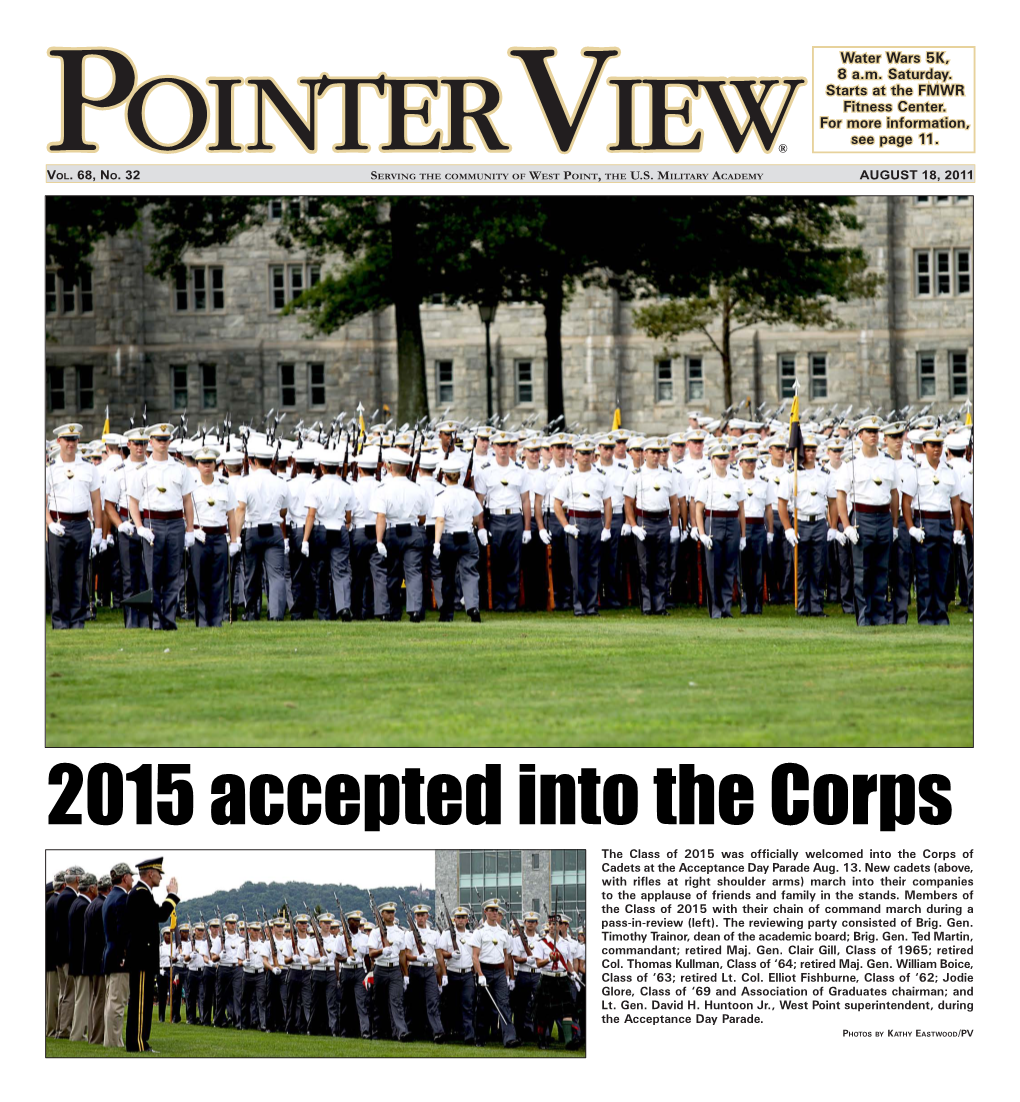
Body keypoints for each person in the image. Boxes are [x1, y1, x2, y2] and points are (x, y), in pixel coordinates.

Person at [127, 424, 196, 630]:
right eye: (158, 439)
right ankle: (156, 620)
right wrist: (139, 526)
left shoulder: (180, 468)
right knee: (154, 575)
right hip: (153, 524)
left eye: (166, 439)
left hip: (175, 522)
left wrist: (190, 529)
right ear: (151, 442)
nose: (163, 443)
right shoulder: (143, 471)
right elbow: (133, 502)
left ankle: (169, 619)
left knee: (173, 575)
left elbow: (187, 501)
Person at [835, 416, 899, 626]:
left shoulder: (888, 461)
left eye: (875, 431)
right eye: (868, 432)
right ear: (860, 435)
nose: (873, 435)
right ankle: (863, 617)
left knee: (881, 570)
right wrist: (846, 526)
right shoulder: (851, 463)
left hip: (883, 517)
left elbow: (894, 493)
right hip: (862, 517)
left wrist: (895, 525)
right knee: (862, 572)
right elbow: (841, 495)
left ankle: (879, 616)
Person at [899, 430, 965, 625]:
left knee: (943, 572)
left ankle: (941, 614)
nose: (936, 449)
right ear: (924, 447)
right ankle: (926, 616)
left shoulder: (950, 471)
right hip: (924, 522)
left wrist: (957, 529)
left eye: (939, 445)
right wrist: (911, 527)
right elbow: (906, 502)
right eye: (932, 445)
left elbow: (956, 502)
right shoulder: (916, 471)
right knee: (925, 572)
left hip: (944, 522)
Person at [46, 426, 103, 629]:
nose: (70, 444)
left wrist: (98, 530)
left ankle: (78, 619)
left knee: (80, 574)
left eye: (74, 439)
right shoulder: (49, 470)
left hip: (81, 524)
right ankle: (60, 620)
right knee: (59, 575)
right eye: (66, 439)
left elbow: (96, 501)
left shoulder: (89, 468)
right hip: (58, 524)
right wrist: (50, 524)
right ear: (59, 441)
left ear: (78, 442)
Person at [123, 858, 180, 1053]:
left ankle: (141, 1041)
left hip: (143, 957)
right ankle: (136, 1043)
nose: (160, 876)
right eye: (158, 873)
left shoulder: (142, 893)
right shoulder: (140, 894)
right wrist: (172, 895)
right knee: (139, 1002)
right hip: (141, 958)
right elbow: (161, 915)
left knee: (145, 1002)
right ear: (150, 874)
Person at [551, 439, 613, 616]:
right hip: (576, 521)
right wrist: (566, 525)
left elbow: (607, 502)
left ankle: (592, 606)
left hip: (594, 521)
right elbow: (557, 503)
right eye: (582, 453)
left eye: (589, 453)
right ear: (575, 455)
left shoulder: (601, 476)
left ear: (594, 455)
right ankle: (579, 607)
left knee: (594, 566)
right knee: (577, 568)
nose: (585, 457)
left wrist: (606, 527)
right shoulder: (568, 478)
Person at [778, 435, 835, 617]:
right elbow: (782, 503)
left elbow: (832, 502)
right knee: (801, 567)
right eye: (807, 450)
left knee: (818, 567)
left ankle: (817, 606)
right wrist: (788, 528)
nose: (809, 453)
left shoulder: (824, 474)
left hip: (819, 522)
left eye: (812, 450)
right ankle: (802, 606)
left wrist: (832, 526)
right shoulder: (792, 474)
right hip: (800, 522)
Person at [624, 439, 683, 615]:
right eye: (652, 452)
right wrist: (633, 525)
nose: (656, 456)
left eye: (658, 452)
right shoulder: (636, 474)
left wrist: (674, 526)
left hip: (662, 520)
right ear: (645, 453)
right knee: (645, 565)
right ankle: (647, 605)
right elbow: (628, 502)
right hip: (644, 520)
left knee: (662, 565)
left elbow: (674, 502)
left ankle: (660, 605)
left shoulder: (668, 474)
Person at [473, 432, 530, 612]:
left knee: (514, 562)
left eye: (507, 445)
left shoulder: (520, 470)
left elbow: (526, 500)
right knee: (496, 563)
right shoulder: (485, 470)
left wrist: (527, 527)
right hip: (495, 518)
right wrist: (480, 526)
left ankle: (511, 603)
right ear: (493, 447)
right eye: (500, 445)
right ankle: (498, 602)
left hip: (514, 517)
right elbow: (479, 501)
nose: (503, 448)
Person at [371, 450, 428, 622]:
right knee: (413, 572)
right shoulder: (417, 489)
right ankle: (415, 610)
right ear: (407, 467)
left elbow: (381, 516)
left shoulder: (383, 489)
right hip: (412, 530)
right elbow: (422, 517)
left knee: (393, 575)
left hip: (392, 532)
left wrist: (379, 540)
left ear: (389, 467)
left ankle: (394, 612)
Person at [301, 446, 355, 620]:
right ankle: (344, 606)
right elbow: (348, 516)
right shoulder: (346, 487)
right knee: (341, 571)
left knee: (321, 572)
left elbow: (311, 515)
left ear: (322, 467)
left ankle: (325, 612)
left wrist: (305, 540)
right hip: (338, 528)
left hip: (320, 530)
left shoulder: (315, 487)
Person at [694, 443, 746, 619]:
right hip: (713, 521)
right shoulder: (706, 479)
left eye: (726, 457)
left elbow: (741, 509)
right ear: (712, 459)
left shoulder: (736, 478)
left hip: (732, 522)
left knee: (729, 568)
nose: (723, 461)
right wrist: (702, 533)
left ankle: (726, 608)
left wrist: (743, 535)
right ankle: (715, 609)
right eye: (720, 458)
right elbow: (698, 508)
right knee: (714, 568)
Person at [433, 458, 485, 622]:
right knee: (470, 574)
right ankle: (473, 608)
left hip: (449, 537)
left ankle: (447, 614)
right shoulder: (469, 494)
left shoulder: (441, 496)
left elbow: (440, 520)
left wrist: (436, 542)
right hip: (467, 535)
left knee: (447, 576)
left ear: (444, 476)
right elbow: (477, 517)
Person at [469, 899, 519, 1048]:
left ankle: (509, 1038)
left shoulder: (504, 932)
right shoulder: (479, 932)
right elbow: (475, 956)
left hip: (499, 971)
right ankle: (480, 1037)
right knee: (483, 1006)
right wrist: (480, 974)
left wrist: (509, 976)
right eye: (491, 910)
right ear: (485, 912)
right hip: (484, 969)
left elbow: (507, 956)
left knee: (504, 1005)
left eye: (496, 910)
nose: (494, 913)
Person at [736, 447, 774, 614]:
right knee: (742, 568)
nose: (750, 465)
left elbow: (768, 508)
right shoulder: (735, 482)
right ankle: (744, 604)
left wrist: (770, 530)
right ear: (740, 463)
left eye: (753, 461)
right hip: (741, 526)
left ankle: (757, 605)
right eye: (747, 462)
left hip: (759, 527)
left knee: (759, 567)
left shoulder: (764, 481)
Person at [367, 902, 412, 1041]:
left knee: (396, 1001)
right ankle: (378, 1032)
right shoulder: (375, 932)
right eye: (388, 912)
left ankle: (401, 1032)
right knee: (379, 1002)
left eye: (392, 912)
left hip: (394, 969)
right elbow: (370, 953)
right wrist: (381, 951)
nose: (391, 914)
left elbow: (402, 955)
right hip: (380, 968)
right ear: (382, 914)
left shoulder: (400, 932)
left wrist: (405, 974)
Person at [102, 862, 133, 1048]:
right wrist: (124, 955)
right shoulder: (121, 898)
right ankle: (113, 1042)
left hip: (111, 954)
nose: (133, 878)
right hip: (118, 956)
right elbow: (122, 931)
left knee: (112, 1001)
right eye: (131, 875)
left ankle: (112, 1040)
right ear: (124, 877)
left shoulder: (110, 897)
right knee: (117, 1003)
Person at [404, 904, 444, 1042]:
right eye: (418, 915)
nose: (421, 918)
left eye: (423, 915)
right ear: (415, 917)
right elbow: (407, 955)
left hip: (430, 970)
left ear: (427, 916)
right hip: (415, 968)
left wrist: (442, 975)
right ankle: (411, 1031)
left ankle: (438, 1032)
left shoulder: (434, 934)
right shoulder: (409, 934)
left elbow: (439, 956)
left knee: (433, 1001)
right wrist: (417, 958)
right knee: (413, 1002)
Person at [437, 905, 476, 1044]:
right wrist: (451, 955)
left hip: (467, 974)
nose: (460, 920)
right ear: (454, 919)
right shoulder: (446, 934)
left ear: (467, 920)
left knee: (467, 1004)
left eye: (463, 917)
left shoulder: (471, 935)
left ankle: (468, 1035)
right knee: (449, 1005)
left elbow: (476, 955)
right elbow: (440, 953)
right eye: (458, 917)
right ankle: (447, 1032)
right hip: (452, 973)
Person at [54, 865, 83, 1039]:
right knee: (69, 994)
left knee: (64, 993)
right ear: (78, 879)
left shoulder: (62, 897)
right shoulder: (70, 898)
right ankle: (64, 1030)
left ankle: (60, 1028)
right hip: (67, 952)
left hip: (60, 951)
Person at [67, 872, 97, 1041]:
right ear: (91, 887)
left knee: (80, 998)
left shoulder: (75, 903)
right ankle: (78, 1034)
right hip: (81, 959)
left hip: (75, 958)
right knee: (82, 999)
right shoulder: (83, 906)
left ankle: (78, 1032)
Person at [83, 873, 110, 1045]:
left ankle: (94, 1033)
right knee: (100, 1000)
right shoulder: (101, 906)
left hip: (90, 959)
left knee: (95, 999)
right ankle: (97, 1036)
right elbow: (102, 937)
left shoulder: (92, 904)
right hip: (99, 959)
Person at [46, 870, 65, 1037]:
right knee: (53, 996)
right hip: (52, 956)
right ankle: (51, 1029)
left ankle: (51, 1027)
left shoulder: (51, 901)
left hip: (50, 955)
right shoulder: (55, 902)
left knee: (52, 995)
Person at [157, 927, 174, 1024]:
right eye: (167, 934)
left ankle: (173, 1016)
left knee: (173, 994)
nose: (168, 935)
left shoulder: (174, 946)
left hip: (171, 970)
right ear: (163, 935)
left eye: (170, 934)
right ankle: (161, 1016)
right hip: (162, 971)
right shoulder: (160, 947)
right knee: (162, 995)